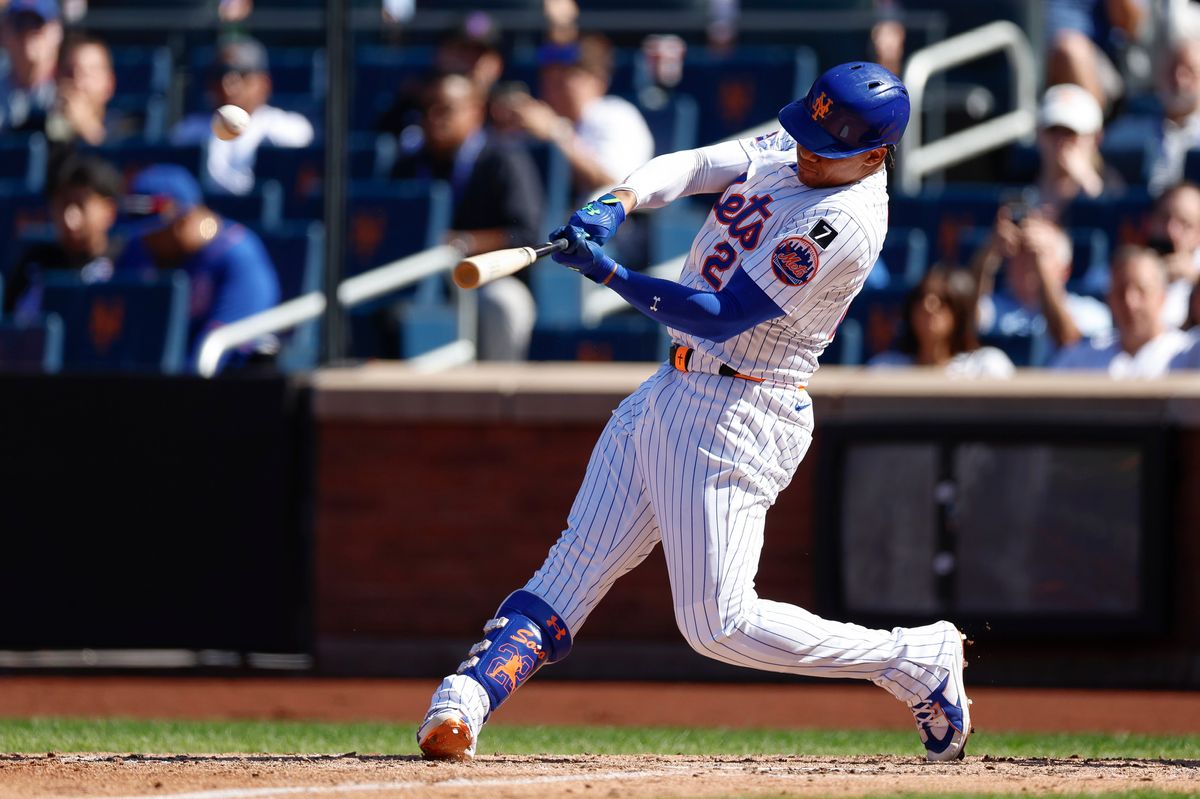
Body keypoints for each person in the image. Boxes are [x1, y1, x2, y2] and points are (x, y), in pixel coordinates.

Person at [416, 62, 972, 765]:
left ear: (874, 154)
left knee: (718, 623)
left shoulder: (847, 222)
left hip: (743, 406)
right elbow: (700, 164)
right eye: (808, 134)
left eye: (826, 148)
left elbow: (721, 316)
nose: (805, 151)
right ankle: (465, 697)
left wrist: (612, 274)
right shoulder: (804, 144)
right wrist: (622, 197)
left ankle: (915, 658)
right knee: (575, 564)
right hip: (672, 389)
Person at [391, 72, 544, 361]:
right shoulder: (409, 163)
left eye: (445, 109)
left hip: (485, 278)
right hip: (419, 279)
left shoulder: (503, 159)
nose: (435, 118)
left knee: (504, 303)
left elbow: (526, 234)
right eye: (427, 110)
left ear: (475, 111)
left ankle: (499, 394)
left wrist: (460, 243)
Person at [114, 164, 280, 371]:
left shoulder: (238, 257)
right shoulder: (139, 249)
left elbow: (216, 353)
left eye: (158, 231)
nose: (148, 240)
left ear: (186, 219)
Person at [500, 33, 653, 197]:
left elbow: (614, 186)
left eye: (563, 79)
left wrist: (554, 132)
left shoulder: (614, 115)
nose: (552, 89)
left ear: (598, 80)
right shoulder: (550, 121)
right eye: (548, 79)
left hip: (614, 220)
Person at [170, 36, 315, 195]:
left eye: (242, 73)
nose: (228, 85)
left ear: (264, 83)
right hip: (207, 218)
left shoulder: (287, 126)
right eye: (220, 74)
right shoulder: (189, 131)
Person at [973, 210, 1111, 353]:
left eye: (1041, 253)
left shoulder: (1090, 312)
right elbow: (967, 319)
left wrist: (1040, 264)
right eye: (1021, 252)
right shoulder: (994, 307)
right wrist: (988, 255)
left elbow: (1070, 342)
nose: (1028, 262)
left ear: (1065, 270)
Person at [4, 155, 120, 322]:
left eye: (81, 205)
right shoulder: (34, 264)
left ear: (109, 211)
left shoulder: (124, 264)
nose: (70, 218)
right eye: (63, 204)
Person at [1052, 245, 1191, 376]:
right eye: (1120, 292)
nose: (1130, 303)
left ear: (1162, 297)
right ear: (1109, 299)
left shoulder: (1187, 354)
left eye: (1141, 291)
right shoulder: (1082, 359)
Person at [868, 267, 1015, 378]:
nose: (928, 306)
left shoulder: (986, 365)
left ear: (961, 311)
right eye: (921, 298)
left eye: (943, 299)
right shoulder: (885, 368)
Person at [1033, 84, 1124, 220]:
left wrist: (1087, 181)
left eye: (1070, 132)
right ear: (1039, 134)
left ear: (1096, 138)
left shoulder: (1113, 187)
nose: (1060, 140)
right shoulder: (1015, 180)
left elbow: (1113, 224)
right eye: (1053, 130)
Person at [44, 32, 136, 150]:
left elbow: (117, 165)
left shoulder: (128, 132)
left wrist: (88, 129)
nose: (78, 83)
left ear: (109, 84)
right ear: (56, 79)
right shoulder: (38, 130)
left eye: (88, 74)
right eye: (69, 73)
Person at [0, 0, 62, 133]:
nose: (28, 34)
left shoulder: (74, 80)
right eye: (20, 25)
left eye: (37, 24)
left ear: (57, 31)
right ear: (3, 32)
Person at [1147, 181, 1200, 328]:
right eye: (1165, 218)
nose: (1171, 231)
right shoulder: (1130, 263)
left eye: (1185, 223)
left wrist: (1196, 280)